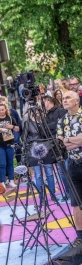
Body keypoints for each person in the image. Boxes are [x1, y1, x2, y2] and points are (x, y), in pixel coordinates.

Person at [57, 91, 82, 247]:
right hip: (72, 164)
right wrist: (75, 141)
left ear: (76, 101)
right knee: (76, 203)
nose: (64, 100)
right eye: (63, 98)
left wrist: (67, 140)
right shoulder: (62, 120)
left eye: (68, 98)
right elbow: (60, 143)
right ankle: (80, 237)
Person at [0, 104, 20, 188]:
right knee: (2, 164)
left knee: (10, 163)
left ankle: (11, 180)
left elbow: (17, 128)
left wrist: (12, 126)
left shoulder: (10, 118)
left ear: (5, 110)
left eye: (3, 110)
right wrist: (0, 129)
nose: (1, 111)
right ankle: (2, 181)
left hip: (9, 143)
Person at [0, 96, 22, 163]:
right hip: (5, 141)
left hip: (15, 139)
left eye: (6, 103)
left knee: (19, 156)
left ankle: (21, 170)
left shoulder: (13, 112)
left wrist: (18, 134)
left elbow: (19, 123)